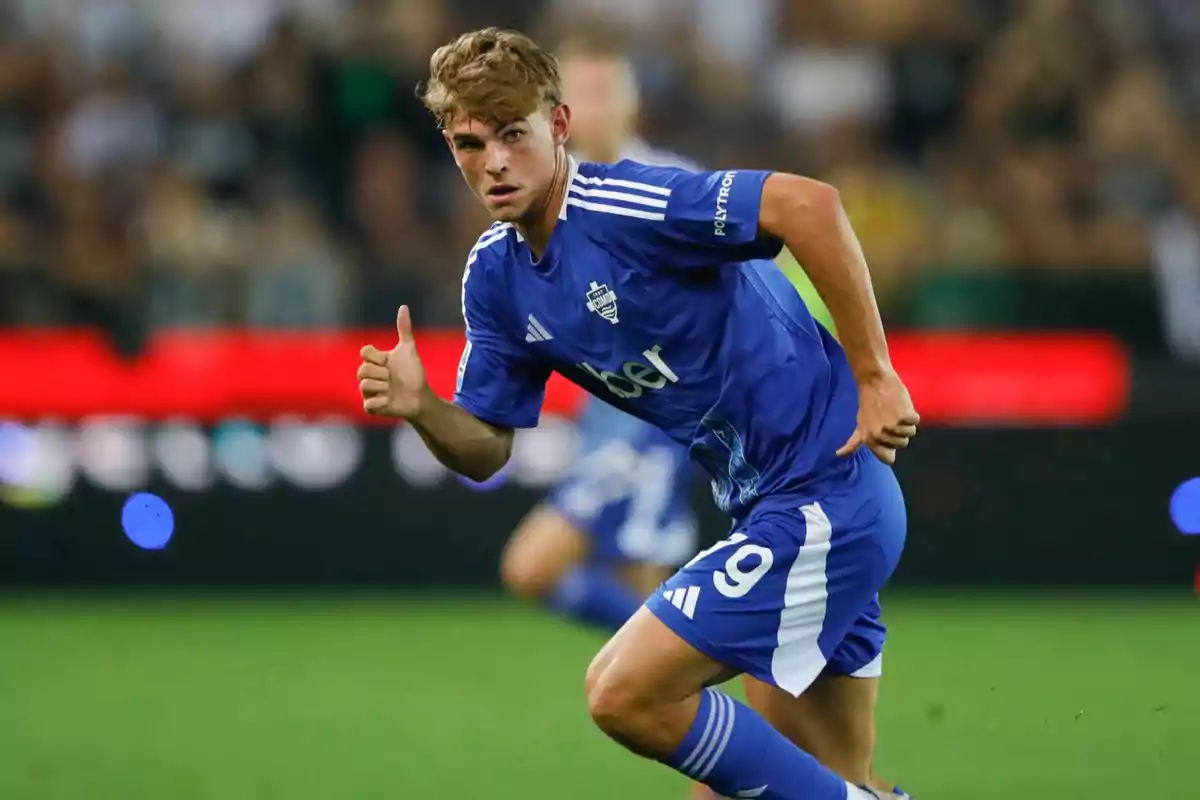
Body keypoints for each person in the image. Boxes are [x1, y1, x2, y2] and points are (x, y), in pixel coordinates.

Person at [357, 28, 918, 800]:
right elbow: (487, 447)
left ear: (558, 127)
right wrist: (424, 410)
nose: (491, 162)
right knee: (802, 779)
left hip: (828, 492)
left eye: (512, 134)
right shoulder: (494, 276)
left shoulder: (630, 201)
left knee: (623, 692)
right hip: (767, 508)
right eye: (468, 143)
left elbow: (808, 205)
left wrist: (875, 374)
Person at [498, 34, 702, 633]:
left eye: (602, 89)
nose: (589, 104)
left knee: (533, 565)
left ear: (630, 103)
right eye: (576, 91)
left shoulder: (675, 182)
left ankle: (683, 666)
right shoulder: (544, 197)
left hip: (668, 411)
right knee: (645, 586)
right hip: (604, 411)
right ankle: (676, 679)